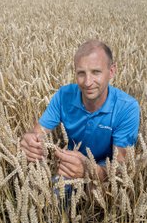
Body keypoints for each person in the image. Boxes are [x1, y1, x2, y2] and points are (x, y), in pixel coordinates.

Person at [20, 39, 140, 181]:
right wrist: (30, 142)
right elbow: (38, 132)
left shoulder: (128, 107)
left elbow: (120, 166)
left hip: (105, 167)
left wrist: (90, 170)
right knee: (54, 193)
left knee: (95, 191)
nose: (88, 82)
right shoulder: (63, 95)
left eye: (96, 72)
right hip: (70, 163)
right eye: (81, 73)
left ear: (112, 71)